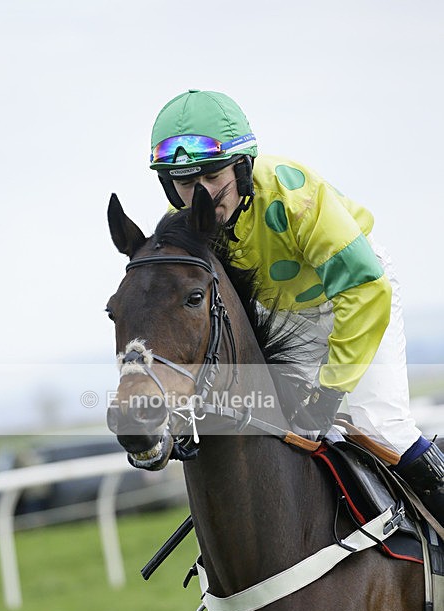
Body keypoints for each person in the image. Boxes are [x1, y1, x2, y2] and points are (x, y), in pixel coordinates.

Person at [148, 88, 444, 525]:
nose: (201, 196)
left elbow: (364, 290)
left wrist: (330, 390)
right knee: (276, 427)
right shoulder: (187, 227)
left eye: (213, 177)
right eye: (186, 183)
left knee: (379, 425)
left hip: (355, 294)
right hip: (283, 313)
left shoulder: (295, 195)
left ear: (243, 167)